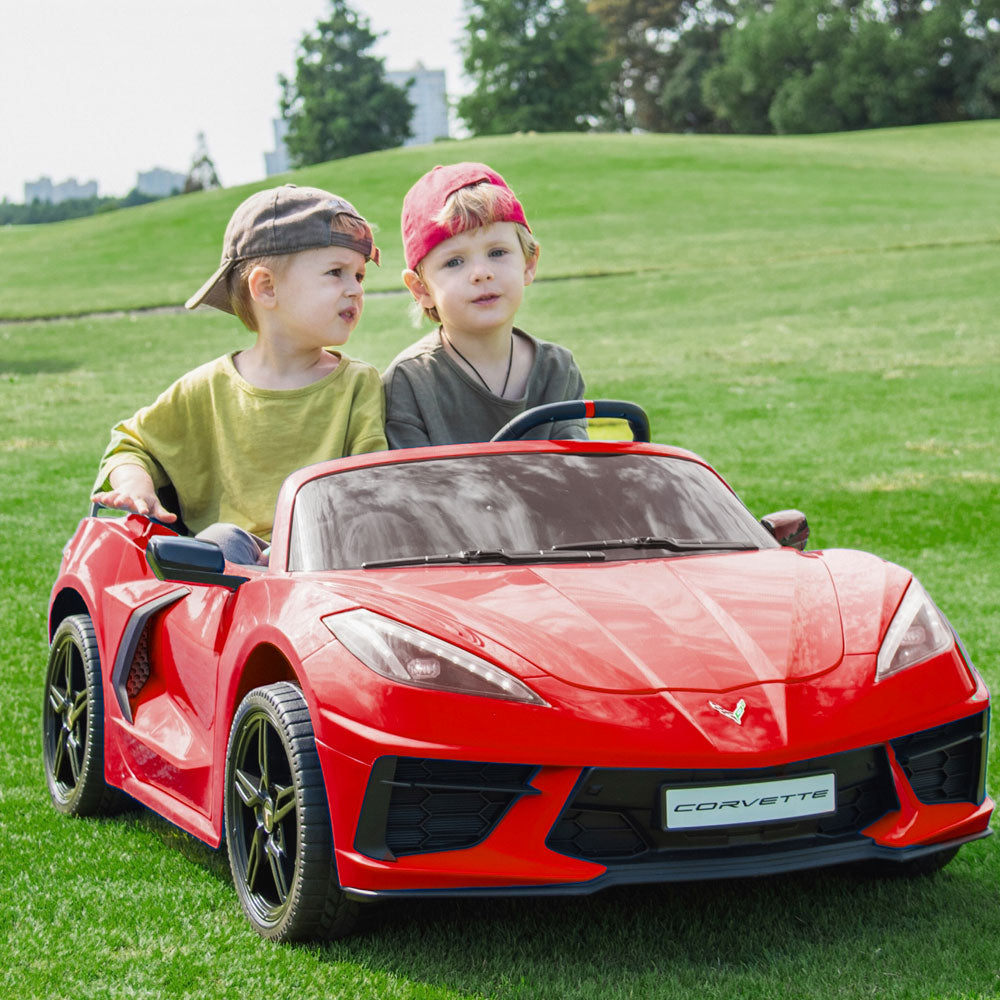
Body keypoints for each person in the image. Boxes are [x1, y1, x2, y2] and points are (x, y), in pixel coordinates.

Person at [92, 184, 387, 564]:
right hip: (226, 579)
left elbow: (369, 491)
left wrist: (294, 552)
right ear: (266, 288)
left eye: (359, 276)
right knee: (224, 538)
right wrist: (136, 485)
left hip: (324, 562)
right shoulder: (206, 389)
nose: (355, 290)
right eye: (336, 273)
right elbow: (130, 444)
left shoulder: (357, 385)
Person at [382, 161, 586, 447]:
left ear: (529, 263)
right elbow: (414, 487)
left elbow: (574, 476)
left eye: (497, 252)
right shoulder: (410, 382)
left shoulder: (558, 369)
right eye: (454, 261)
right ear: (421, 288)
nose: (481, 273)